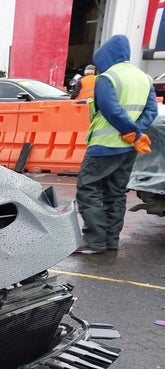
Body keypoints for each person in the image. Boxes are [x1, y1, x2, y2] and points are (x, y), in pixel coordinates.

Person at [75, 34, 159, 254]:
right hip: (129, 147)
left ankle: (94, 241)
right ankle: (111, 240)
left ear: (106, 55)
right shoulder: (144, 78)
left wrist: (129, 132)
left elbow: (110, 109)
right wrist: (136, 133)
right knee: (116, 192)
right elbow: (151, 110)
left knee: (88, 187)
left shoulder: (108, 77)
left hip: (105, 144)